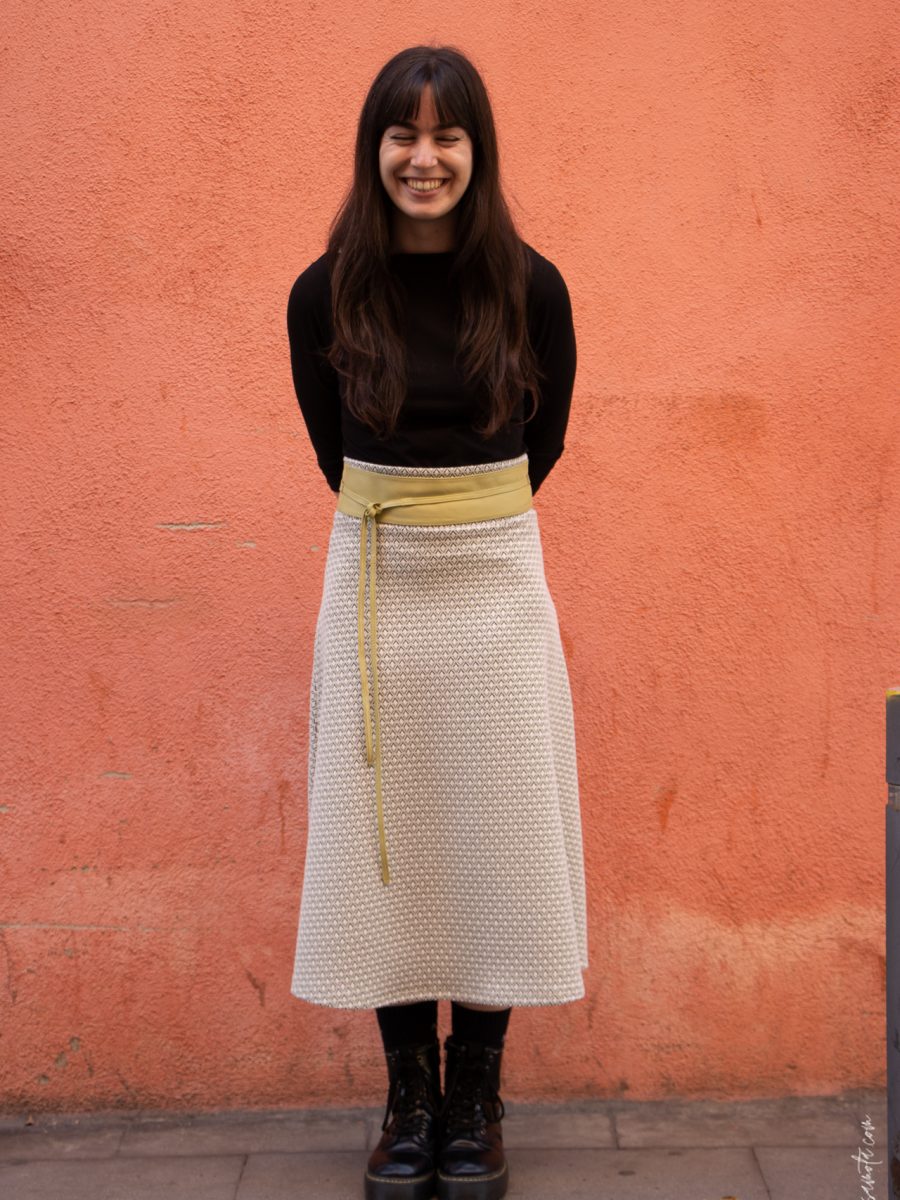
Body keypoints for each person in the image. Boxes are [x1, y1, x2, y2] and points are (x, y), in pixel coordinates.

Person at [285, 43, 588, 1200]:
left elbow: (542, 439)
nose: (424, 158)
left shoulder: (534, 285)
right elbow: (333, 448)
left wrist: (468, 517)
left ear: (477, 151)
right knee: (389, 846)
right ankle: (408, 1101)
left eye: (446, 136)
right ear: (376, 152)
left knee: (498, 837)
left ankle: (477, 1102)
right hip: (375, 584)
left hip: (498, 585)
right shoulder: (323, 292)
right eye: (402, 137)